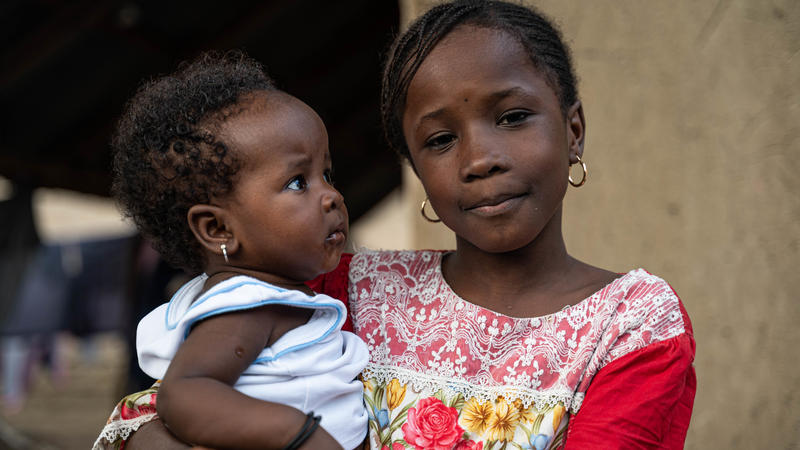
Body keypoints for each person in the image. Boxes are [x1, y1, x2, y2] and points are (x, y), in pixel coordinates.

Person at [97, 1, 696, 449]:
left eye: (513, 117)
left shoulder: (633, 325)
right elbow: (152, 420)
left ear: (573, 131)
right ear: (417, 170)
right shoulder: (342, 289)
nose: (480, 158)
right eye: (439, 140)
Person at [92, 50, 368, 450]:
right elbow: (185, 393)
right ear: (218, 228)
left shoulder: (271, 297)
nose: (332, 197)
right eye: (297, 182)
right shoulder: (247, 305)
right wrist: (297, 432)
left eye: (326, 174)